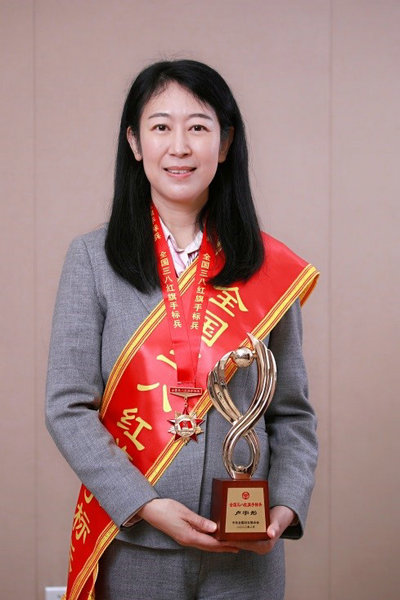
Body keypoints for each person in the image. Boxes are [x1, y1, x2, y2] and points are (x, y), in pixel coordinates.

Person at [46, 59, 319, 600]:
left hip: (247, 555)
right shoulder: (92, 260)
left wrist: (286, 506)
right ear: (134, 142)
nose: (179, 146)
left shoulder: (268, 267)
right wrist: (144, 504)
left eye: (198, 126)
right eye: (160, 126)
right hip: (136, 544)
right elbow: (67, 406)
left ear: (225, 143)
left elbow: (292, 411)